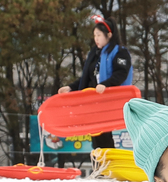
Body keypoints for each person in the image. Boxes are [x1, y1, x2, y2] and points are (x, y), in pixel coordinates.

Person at [57, 14, 133, 148]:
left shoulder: (119, 52)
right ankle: (101, 163)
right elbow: (88, 78)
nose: (96, 39)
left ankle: (107, 164)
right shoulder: (95, 53)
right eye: (94, 36)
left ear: (108, 35)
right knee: (96, 135)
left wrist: (106, 84)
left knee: (103, 134)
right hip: (94, 100)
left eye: (99, 35)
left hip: (110, 100)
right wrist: (71, 87)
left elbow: (121, 73)